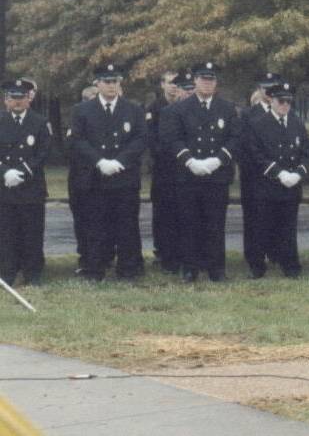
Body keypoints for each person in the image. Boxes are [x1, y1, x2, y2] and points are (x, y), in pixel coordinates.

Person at [159, 61, 242, 282]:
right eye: (203, 79)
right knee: (189, 222)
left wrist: (219, 159)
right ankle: (190, 268)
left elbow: (235, 138)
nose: (207, 83)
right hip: (188, 174)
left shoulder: (227, 108)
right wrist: (190, 161)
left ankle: (216, 268)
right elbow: (172, 139)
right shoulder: (179, 109)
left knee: (216, 223)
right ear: (195, 81)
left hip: (217, 174)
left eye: (211, 79)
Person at [70, 63, 147, 281]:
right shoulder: (81, 110)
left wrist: (120, 161)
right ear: (98, 84)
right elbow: (77, 141)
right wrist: (99, 161)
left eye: (115, 81)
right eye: (107, 81)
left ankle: (128, 270)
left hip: (124, 178)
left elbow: (141, 139)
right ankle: (94, 270)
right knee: (95, 227)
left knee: (127, 226)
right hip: (95, 179)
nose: (112, 86)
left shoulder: (133, 109)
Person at [245, 78, 309, 278]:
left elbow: (306, 153)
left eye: (288, 101)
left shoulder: (297, 123)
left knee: (288, 229)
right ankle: (257, 267)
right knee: (261, 227)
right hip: (267, 185)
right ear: (271, 100)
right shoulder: (258, 124)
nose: (285, 105)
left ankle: (290, 266)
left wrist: (298, 173)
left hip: (291, 186)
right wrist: (279, 173)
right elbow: (256, 155)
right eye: (281, 101)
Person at [0, 79, 50, 285]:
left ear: (28, 99)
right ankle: (8, 272)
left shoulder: (39, 122)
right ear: (6, 99)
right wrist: (5, 173)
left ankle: (33, 273)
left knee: (32, 232)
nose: (17, 101)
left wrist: (21, 172)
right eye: (13, 97)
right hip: (5, 187)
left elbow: (43, 152)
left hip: (31, 187)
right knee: (7, 232)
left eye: (21, 97)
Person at [241, 72, 280, 277]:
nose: (269, 91)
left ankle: (276, 254)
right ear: (260, 89)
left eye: (273, 86)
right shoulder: (248, 115)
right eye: (266, 87)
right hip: (255, 178)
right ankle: (255, 261)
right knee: (255, 221)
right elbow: (246, 147)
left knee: (277, 220)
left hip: (278, 178)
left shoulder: (285, 111)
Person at [146, 72, 181, 272]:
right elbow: (152, 140)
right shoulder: (154, 109)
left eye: (177, 83)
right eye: (170, 82)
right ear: (162, 84)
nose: (174, 86)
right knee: (163, 214)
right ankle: (163, 253)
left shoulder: (187, 105)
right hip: (164, 170)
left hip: (186, 170)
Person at [67, 84, 99, 271]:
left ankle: (100, 258)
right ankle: (85, 258)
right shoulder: (77, 119)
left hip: (100, 179)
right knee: (83, 223)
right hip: (81, 180)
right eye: (90, 98)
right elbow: (72, 149)